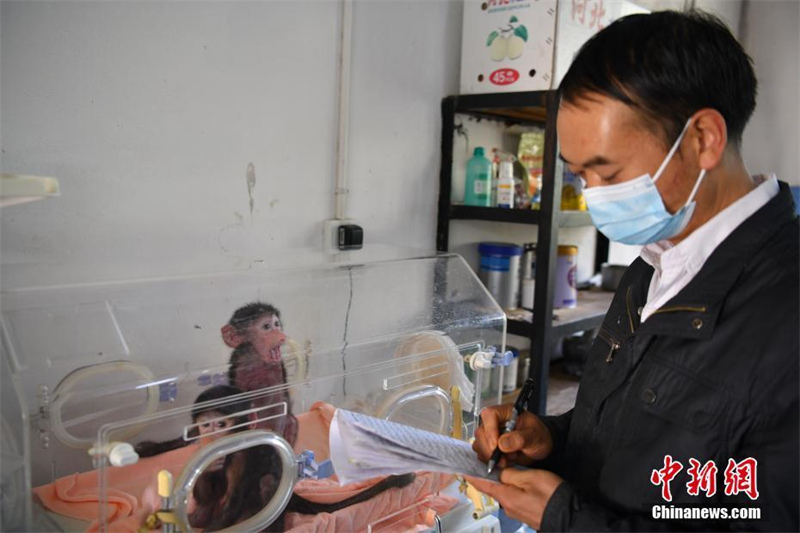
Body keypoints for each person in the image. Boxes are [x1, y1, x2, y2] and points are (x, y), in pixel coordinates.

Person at [468, 10, 799, 532]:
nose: (595, 196)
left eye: (609, 171)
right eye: (580, 175)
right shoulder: (657, 258)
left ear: (703, 139)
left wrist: (565, 519)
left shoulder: (784, 314)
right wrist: (552, 437)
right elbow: (641, 433)